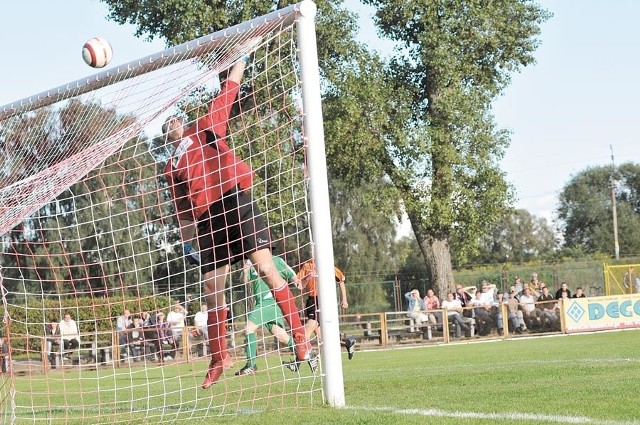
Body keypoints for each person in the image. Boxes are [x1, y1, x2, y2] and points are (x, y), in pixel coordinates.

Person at [162, 54, 311, 388]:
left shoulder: (204, 127)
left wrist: (242, 56)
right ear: (166, 137)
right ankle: (219, 357)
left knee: (266, 270)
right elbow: (184, 213)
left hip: (234, 202)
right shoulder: (170, 168)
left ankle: (300, 338)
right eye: (165, 125)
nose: (170, 124)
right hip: (207, 223)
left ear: (181, 123)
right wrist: (189, 245)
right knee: (212, 291)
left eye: (173, 120)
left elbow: (229, 90)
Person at [235, 257, 303, 376]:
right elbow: (244, 281)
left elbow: (295, 278)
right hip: (264, 304)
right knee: (282, 336)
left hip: (268, 301)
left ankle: (251, 365)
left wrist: (300, 281)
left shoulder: (277, 260)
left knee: (248, 329)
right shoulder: (251, 263)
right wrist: (245, 272)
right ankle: (306, 353)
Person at [294, 258, 357, 363]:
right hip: (310, 301)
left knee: (306, 331)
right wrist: (307, 278)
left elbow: (341, 281)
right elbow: (300, 286)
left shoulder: (327, 263)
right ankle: (347, 343)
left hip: (322, 300)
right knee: (322, 337)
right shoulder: (307, 266)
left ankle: (300, 360)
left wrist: (344, 300)